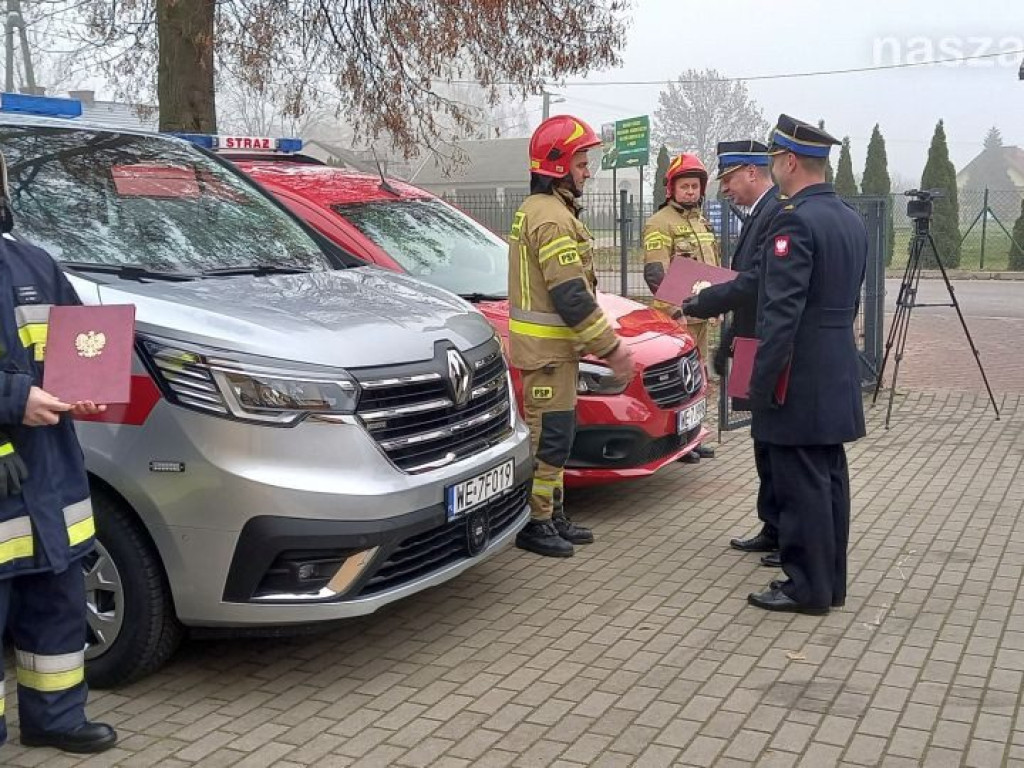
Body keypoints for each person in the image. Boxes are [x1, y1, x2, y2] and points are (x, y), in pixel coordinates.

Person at [0, 150, 117, 753]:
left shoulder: (34, 263)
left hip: (49, 477)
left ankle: (56, 718)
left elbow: (80, 350)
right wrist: (13, 397)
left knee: (58, 607)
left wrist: (87, 395)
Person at [744, 115, 867, 615]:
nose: (773, 168)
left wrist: (762, 381)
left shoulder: (794, 220)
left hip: (799, 373)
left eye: (774, 160)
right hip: (836, 363)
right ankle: (829, 584)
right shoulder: (849, 217)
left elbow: (782, 313)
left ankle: (805, 587)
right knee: (829, 476)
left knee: (801, 486)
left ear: (789, 161)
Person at [508, 115, 635, 558]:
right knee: (549, 439)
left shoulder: (553, 211)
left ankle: (553, 513)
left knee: (558, 436)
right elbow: (571, 296)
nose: (588, 171)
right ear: (559, 164)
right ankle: (536, 522)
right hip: (546, 354)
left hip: (555, 352)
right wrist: (612, 349)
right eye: (582, 163)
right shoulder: (551, 218)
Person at [681, 141, 784, 562]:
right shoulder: (761, 212)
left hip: (763, 342)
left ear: (753, 173)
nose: (724, 190)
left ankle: (784, 531)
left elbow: (754, 282)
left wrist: (701, 302)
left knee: (775, 442)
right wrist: (727, 342)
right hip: (747, 338)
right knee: (762, 439)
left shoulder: (776, 211)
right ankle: (772, 525)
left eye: (728, 180)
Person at [642, 153, 719, 463]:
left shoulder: (702, 222)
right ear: (670, 189)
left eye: (695, 186)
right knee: (677, 384)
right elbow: (655, 274)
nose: (690, 191)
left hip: (701, 317)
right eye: (684, 186)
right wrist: (675, 313)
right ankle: (674, 443)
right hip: (676, 320)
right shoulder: (659, 223)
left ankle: (693, 437)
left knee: (698, 380)